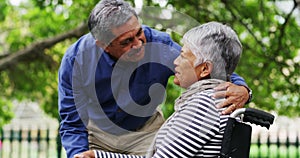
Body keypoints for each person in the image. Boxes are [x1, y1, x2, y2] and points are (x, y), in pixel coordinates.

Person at [58, 0, 251, 157]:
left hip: (146, 132)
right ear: (103, 45)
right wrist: (79, 154)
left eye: (139, 33)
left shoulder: (160, 45)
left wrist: (243, 89)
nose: (139, 43)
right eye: (127, 41)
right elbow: (72, 122)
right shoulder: (76, 61)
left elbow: (206, 66)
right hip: (98, 134)